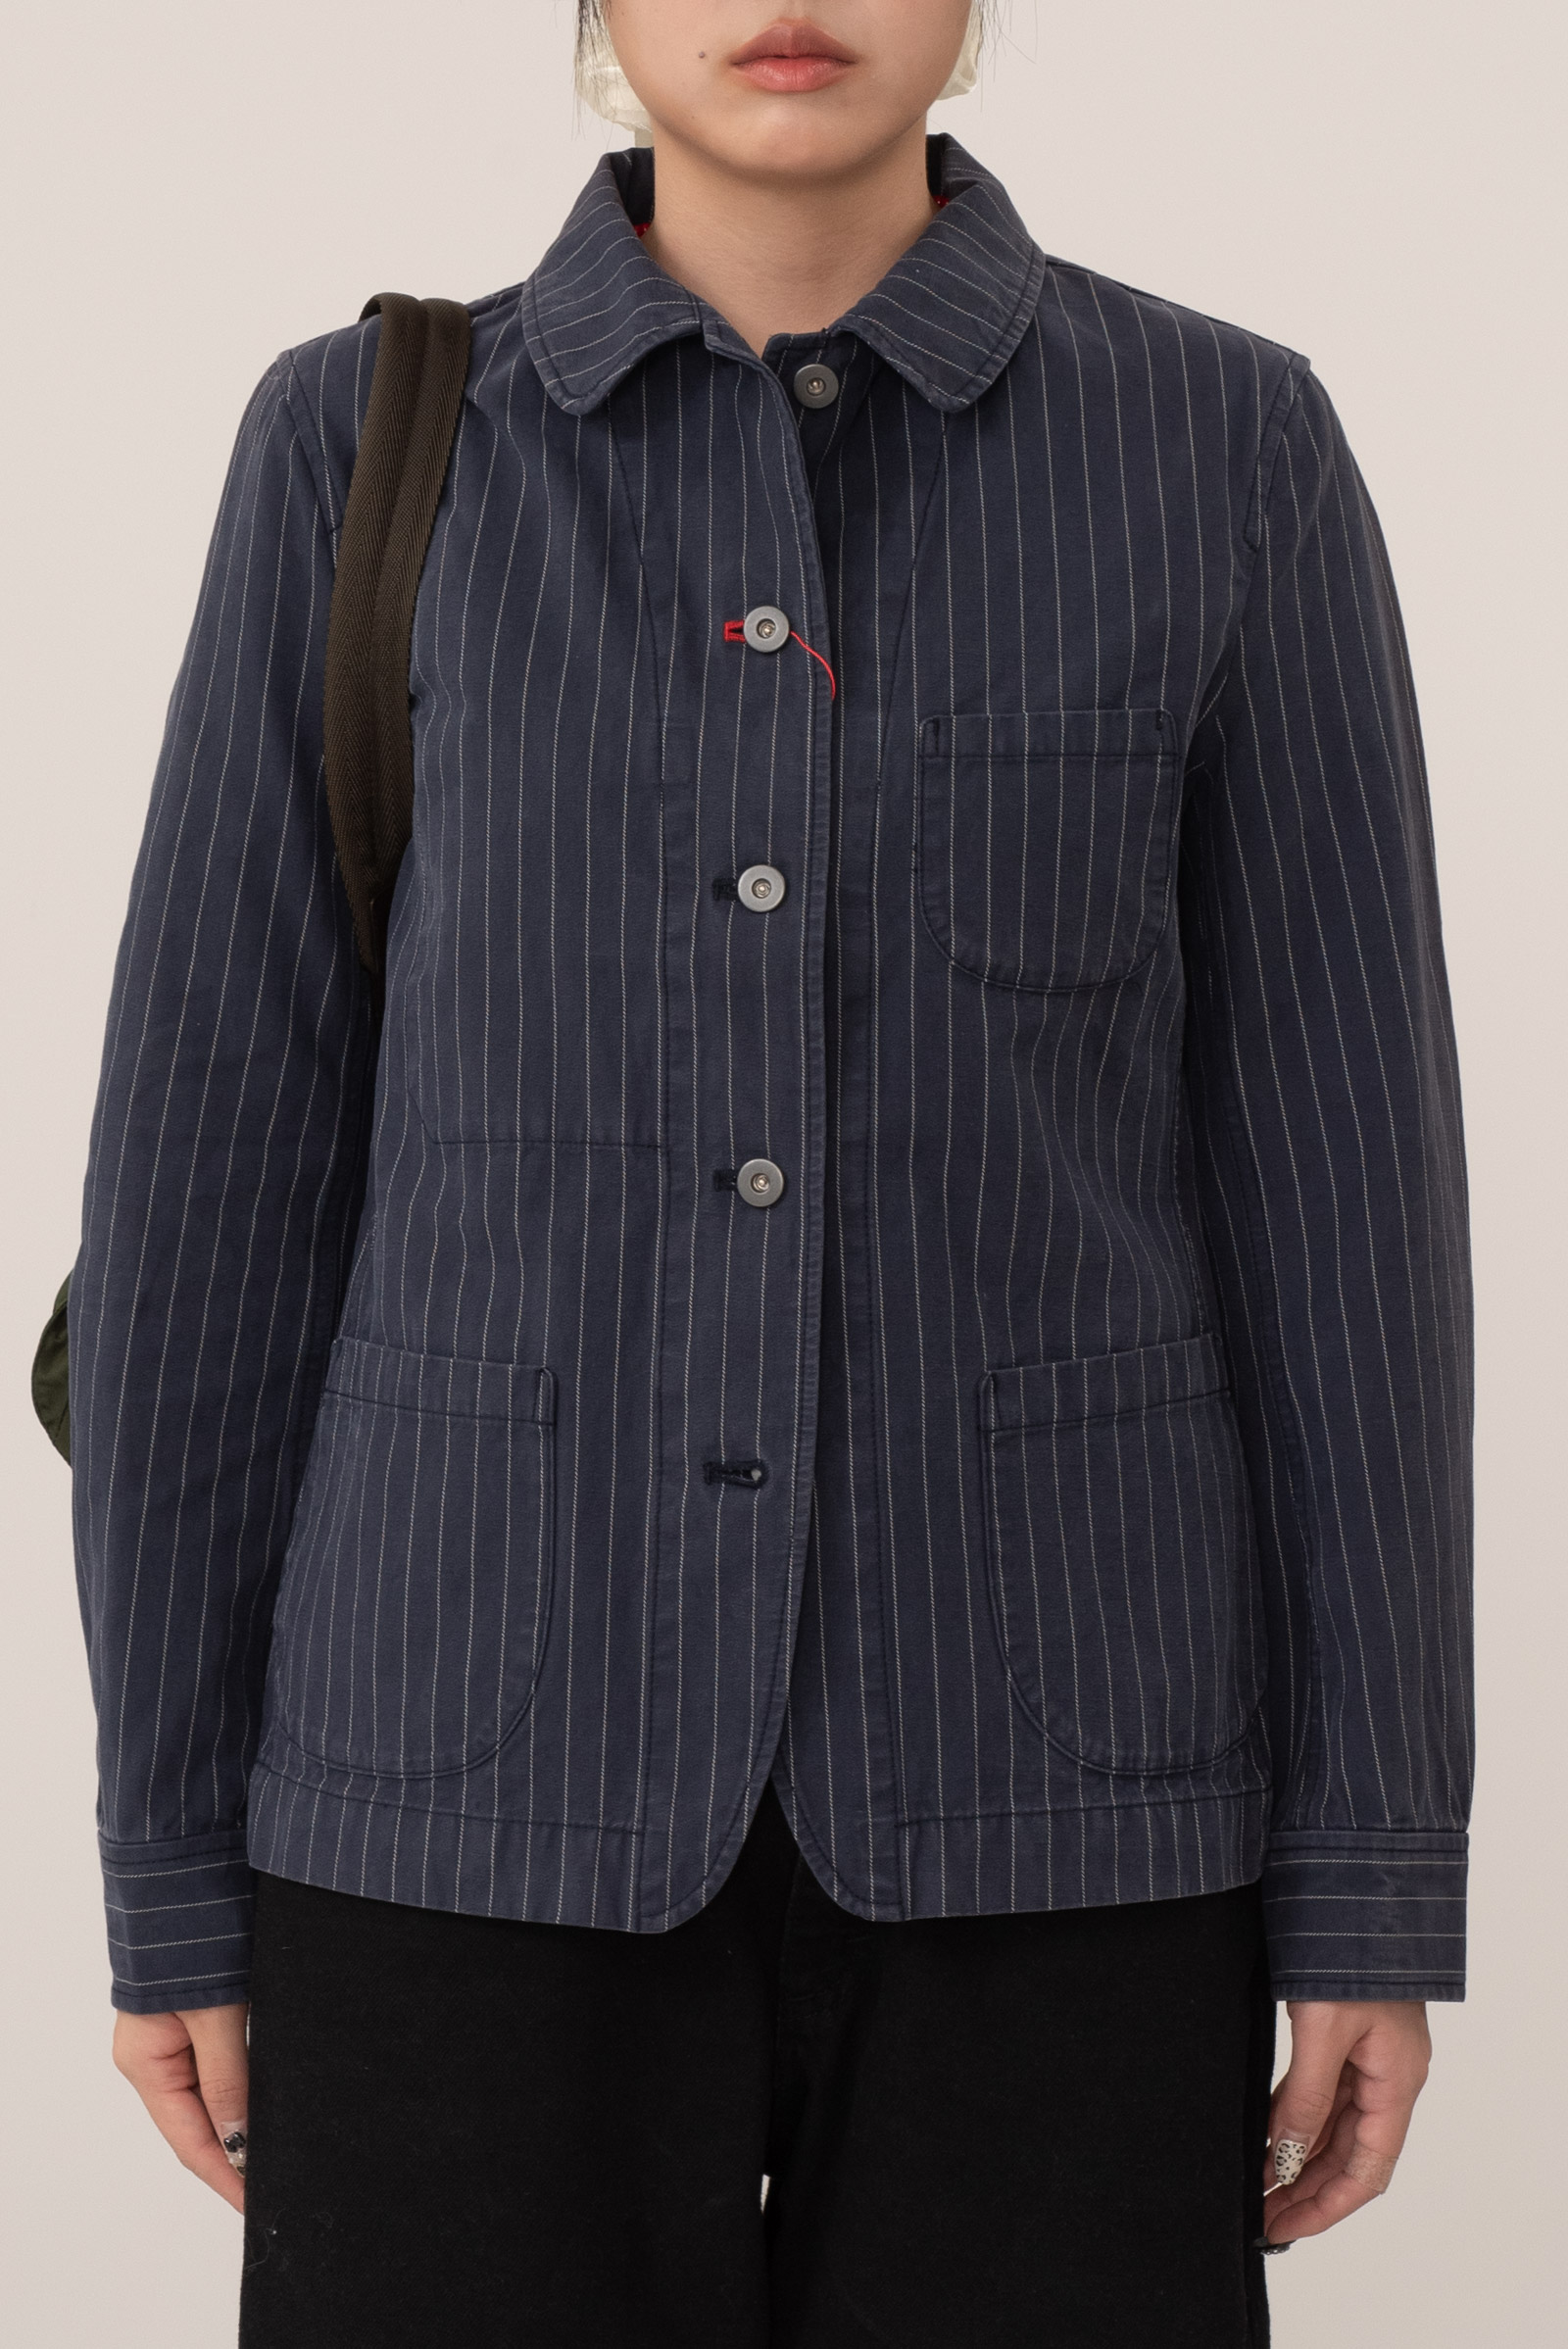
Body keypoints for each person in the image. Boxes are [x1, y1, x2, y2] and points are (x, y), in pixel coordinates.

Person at [72, 3, 1473, 2342]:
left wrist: (1368, 1870)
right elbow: (210, 1196)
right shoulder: (361, 446)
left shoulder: (1222, 444)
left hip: (1063, 1785)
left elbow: (1342, 1220)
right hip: (452, 1776)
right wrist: (172, 1863)